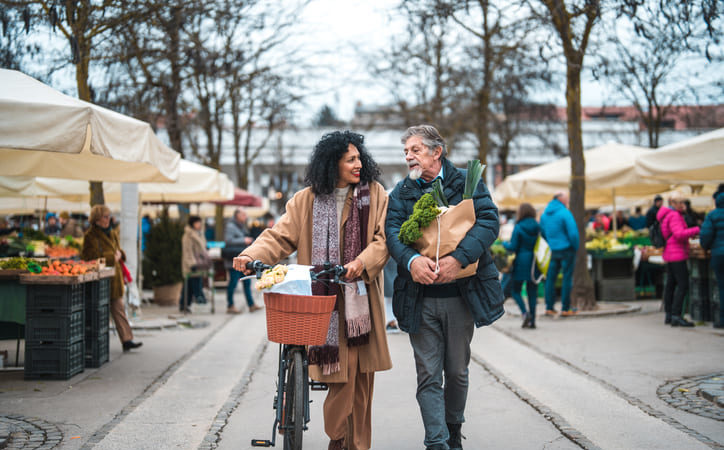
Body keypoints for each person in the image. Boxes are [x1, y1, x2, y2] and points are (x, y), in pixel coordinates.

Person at [234, 131, 391, 450]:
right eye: (350, 159)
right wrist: (251, 256)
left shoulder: (375, 195)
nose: (358, 163)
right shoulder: (306, 199)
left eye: (360, 157)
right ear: (332, 164)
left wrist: (361, 263)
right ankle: (338, 435)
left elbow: (383, 240)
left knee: (359, 380)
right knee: (337, 378)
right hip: (322, 303)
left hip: (361, 301)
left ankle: (354, 444)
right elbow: (278, 237)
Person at [385, 125, 503, 450]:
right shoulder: (400, 192)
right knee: (428, 376)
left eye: (415, 149)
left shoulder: (468, 181)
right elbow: (393, 233)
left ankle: (453, 430)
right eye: (406, 151)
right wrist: (411, 261)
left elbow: (489, 221)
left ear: (437, 152)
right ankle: (436, 442)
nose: (409, 156)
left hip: (461, 297)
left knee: (457, 373)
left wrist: (459, 260)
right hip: (419, 300)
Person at [81, 204, 142, 351]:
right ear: (97, 219)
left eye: (109, 216)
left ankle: (127, 340)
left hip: (115, 277)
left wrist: (120, 254)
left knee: (119, 309)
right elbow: (89, 257)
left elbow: (116, 250)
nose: (108, 219)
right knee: (100, 313)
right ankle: (97, 345)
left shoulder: (112, 233)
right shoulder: (90, 236)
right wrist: (111, 258)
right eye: (105, 216)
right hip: (100, 278)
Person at [657, 193, 700, 327]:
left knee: (671, 284)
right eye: (682, 203)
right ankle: (676, 315)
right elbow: (679, 234)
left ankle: (669, 315)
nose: (684, 205)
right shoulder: (675, 216)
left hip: (670, 253)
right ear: (675, 204)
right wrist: (696, 229)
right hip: (677, 254)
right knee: (683, 284)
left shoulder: (667, 215)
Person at [540, 191, 579, 317]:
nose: (567, 201)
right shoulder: (565, 213)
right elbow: (573, 233)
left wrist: (551, 243)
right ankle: (565, 308)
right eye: (566, 199)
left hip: (552, 250)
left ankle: (549, 307)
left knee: (550, 279)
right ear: (561, 200)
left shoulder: (544, 214)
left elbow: (543, 232)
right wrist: (575, 247)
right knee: (567, 278)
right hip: (567, 249)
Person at [503, 203, 541, 329]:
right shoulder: (538, 226)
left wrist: (504, 244)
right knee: (532, 292)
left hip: (521, 261)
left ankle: (525, 314)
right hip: (534, 262)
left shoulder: (518, 227)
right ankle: (533, 321)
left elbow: (513, 247)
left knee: (515, 291)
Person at [224, 208, 261, 314]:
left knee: (246, 282)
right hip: (234, 261)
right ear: (237, 215)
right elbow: (228, 240)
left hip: (242, 260)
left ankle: (251, 305)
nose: (245, 217)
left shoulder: (241, 226)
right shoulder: (231, 226)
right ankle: (230, 305)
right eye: (243, 215)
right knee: (233, 283)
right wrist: (244, 240)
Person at [699, 191, 723, 328]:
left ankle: (722, 319)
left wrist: (706, 247)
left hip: (719, 255)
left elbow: (706, 236)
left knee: (722, 288)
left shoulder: (712, 215)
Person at [180, 215, 211, 312]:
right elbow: (187, 251)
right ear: (192, 223)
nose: (199, 225)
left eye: (200, 223)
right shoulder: (188, 236)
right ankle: (196, 298)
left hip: (198, 263)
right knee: (191, 284)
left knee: (189, 285)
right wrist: (191, 264)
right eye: (197, 223)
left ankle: (185, 305)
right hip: (192, 263)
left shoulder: (199, 234)